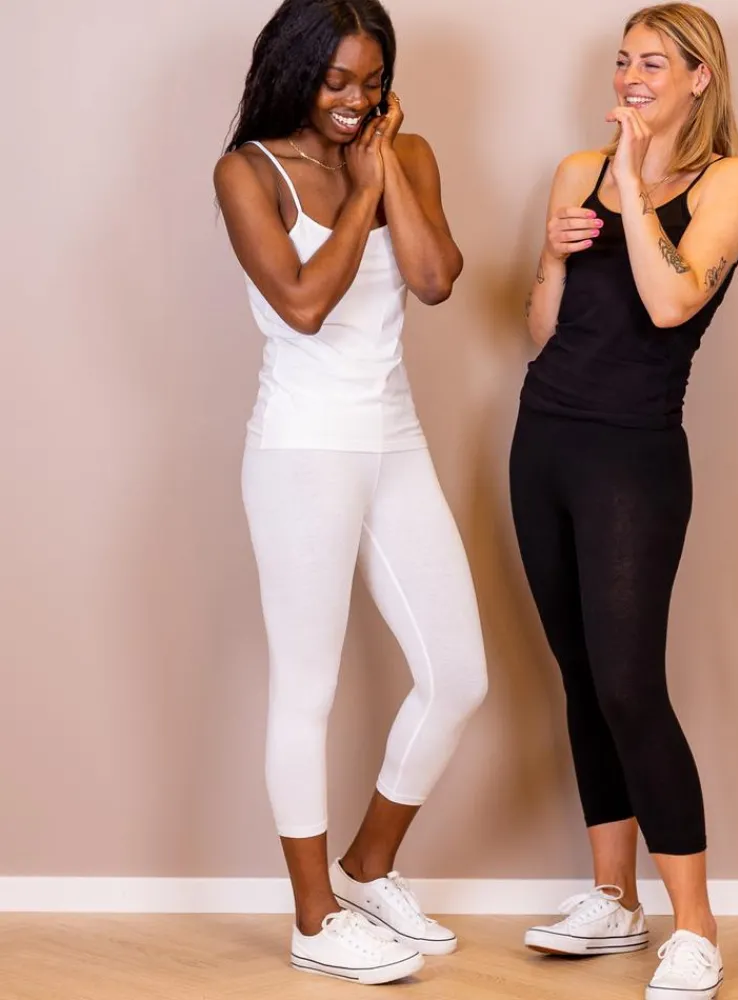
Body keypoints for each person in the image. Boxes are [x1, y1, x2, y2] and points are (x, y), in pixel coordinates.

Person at [213, 0, 488, 985]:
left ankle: (366, 871)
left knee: (458, 675)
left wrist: (386, 174)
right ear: (295, 71)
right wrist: (361, 190)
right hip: (301, 448)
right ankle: (314, 918)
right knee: (309, 687)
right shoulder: (248, 171)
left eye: (372, 82)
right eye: (337, 81)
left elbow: (436, 278)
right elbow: (301, 303)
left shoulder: (403, 155)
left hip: (394, 439)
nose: (356, 99)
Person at [510, 4, 738, 998]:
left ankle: (695, 926)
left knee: (628, 684)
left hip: (633, 456)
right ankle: (612, 900)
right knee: (581, 677)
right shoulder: (575, 171)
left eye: (654, 63)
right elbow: (539, 331)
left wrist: (629, 177)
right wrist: (552, 252)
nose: (631, 78)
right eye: (623, 61)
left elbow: (669, 303)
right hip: (543, 441)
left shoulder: (728, 181)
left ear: (701, 78)